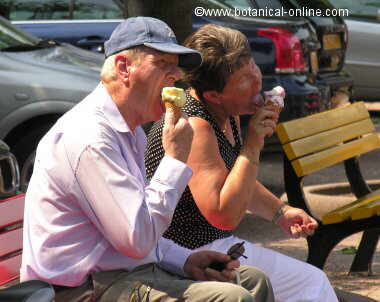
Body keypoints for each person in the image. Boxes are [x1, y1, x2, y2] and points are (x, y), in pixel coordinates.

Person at [20, 17, 275, 302]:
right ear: (123, 68)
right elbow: (137, 240)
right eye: (163, 64)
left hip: (123, 273)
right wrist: (175, 160)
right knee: (232, 298)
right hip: (79, 290)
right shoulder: (90, 138)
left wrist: (185, 260)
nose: (176, 75)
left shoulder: (129, 131)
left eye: (176, 66)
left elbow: (137, 232)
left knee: (254, 281)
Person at [145, 24, 339, 302]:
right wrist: (253, 144)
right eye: (245, 80)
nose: (258, 82)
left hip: (212, 242)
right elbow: (223, 215)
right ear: (214, 95)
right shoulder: (195, 127)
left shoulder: (228, 111)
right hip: (186, 252)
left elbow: (233, 178)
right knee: (311, 283)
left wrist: (280, 211)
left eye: (254, 69)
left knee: (306, 283)